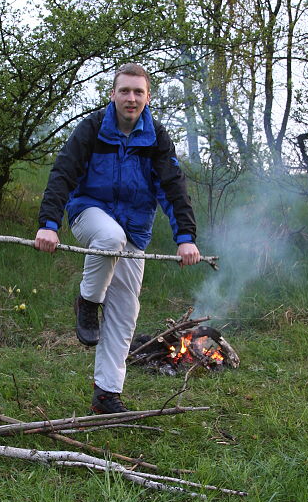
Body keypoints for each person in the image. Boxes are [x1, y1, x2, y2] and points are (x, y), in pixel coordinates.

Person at [34, 62, 201, 413]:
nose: (131, 98)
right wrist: (49, 223)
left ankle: (106, 394)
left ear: (148, 97)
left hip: (135, 229)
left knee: (125, 310)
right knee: (110, 237)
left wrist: (185, 237)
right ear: (112, 94)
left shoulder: (155, 136)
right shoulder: (92, 128)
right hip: (89, 214)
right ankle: (88, 302)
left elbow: (173, 187)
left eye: (138, 92)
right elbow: (63, 173)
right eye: (124, 90)